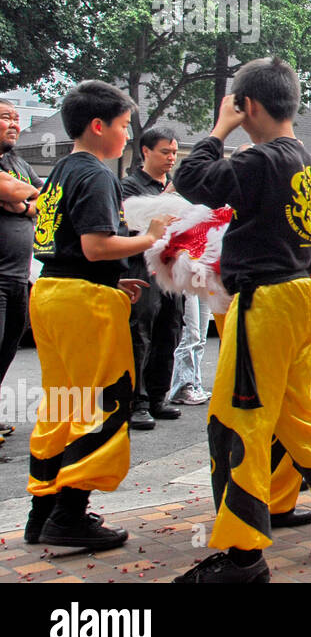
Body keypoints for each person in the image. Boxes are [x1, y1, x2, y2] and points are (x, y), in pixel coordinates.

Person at [173, 58, 311, 582]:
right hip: (297, 297)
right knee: (295, 417)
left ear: (245, 105)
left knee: (237, 422)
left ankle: (243, 556)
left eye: (235, 108)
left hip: (265, 304)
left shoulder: (262, 160)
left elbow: (192, 179)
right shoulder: (309, 168)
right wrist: (292, 266)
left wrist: (217, 129)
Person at [25, 81, 170, 550]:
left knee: (63, 404)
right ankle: (71, 517)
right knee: (102, 404)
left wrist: (110, 279)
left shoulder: (61, 171)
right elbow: (95, 245)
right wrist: (150, 237)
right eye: (125, 126)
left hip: (51, 292)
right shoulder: (96, 174)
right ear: (98, 126)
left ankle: (42, 512)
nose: (127, 136)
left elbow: (70, 247)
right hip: (81, 303)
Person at [122, 127, 185, 431]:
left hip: (172, 269)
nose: (171, 158)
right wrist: (167, 198)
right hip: (141, 268)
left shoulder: (175, 186)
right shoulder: (129, 187)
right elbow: (133, 225)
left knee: (170, 331)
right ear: (145, 151)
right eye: (165, 152)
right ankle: (138, 402)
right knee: (140, 334)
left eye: (174, 152)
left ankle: (159, 396)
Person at [0, 100, 40, 449]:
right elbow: (11, 189)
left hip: (18, 277)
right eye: (5, 118)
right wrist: (22, 196)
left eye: (16, 118)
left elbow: (45, 198)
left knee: (7, 350)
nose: (14, 124)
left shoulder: (19, 162)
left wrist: (23, 206)